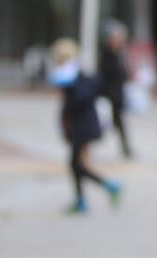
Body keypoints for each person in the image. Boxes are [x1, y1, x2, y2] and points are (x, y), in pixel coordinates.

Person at [50, 38, 122, 214]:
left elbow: (80, 99)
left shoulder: (73, 75)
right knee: (79, 164)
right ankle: (82, 199)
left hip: (82, 126)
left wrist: (68, 104)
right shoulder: (73, 74)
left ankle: (109, 186)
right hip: (80, 125)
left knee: (76, 164)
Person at [99, 20, 133, 158]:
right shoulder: (106, 54)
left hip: (118, 93)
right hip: (109, 94)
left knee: (118, 121)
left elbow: (123, 74)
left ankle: (125, 148)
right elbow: (104, 73)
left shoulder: (120, 53)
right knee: (110, 121)